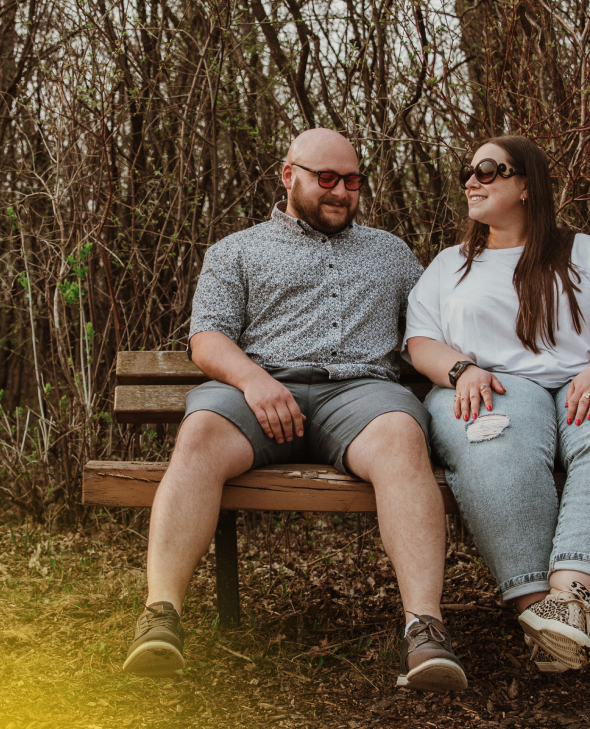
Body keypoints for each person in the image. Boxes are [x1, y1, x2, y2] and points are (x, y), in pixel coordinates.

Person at [122, 128, 468, 693]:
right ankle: (161, 617)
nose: (340, 192)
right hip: (258, 390)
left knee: (404, 436)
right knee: (200, 435)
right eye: (325, 178)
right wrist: (254, 381)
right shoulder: (236, 250)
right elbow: (207, 340)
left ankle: (424, 629)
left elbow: (433, 330)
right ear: (289, 175)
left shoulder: (393, 254)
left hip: (360, 394)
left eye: (351, 181)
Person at [405, 134, 590, 672]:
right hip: (494, 386)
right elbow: (421, 342)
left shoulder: (584, 252)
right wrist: (461, 370)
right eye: (468, 170)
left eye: (489, 170)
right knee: (490, 437)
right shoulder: (449, 264)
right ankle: (539, 613)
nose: (472, 180)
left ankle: (571, 600)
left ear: (527, 184)